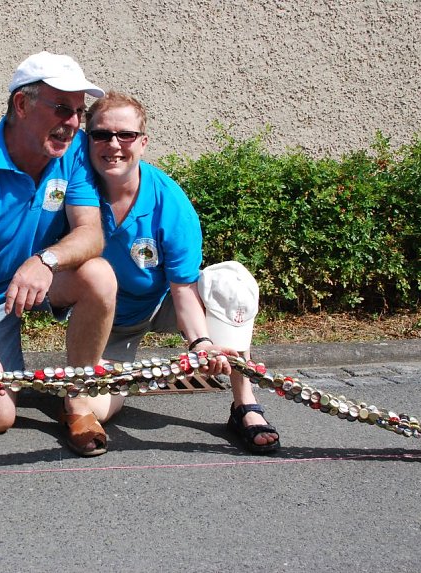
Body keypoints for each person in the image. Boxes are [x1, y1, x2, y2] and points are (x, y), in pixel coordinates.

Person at [0, 51, 120, 456]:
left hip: (41, 278)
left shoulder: (72, 152)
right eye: (61, 108)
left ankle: (76, 398)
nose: (73, 123)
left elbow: (90, 233)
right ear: (22, 104)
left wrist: (45, 261)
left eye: (78, 111)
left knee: (99, 275)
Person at [85, 91, 280, 454]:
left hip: (162, 304)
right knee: (95, 409)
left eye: (125, 135)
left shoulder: (170, 202)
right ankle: (104, 377)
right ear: (88, 139)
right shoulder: (77, 191)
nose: (114, 144)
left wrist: (201, 343)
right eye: (101, 134)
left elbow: (183, 289)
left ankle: (244, 403)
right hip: (108, 321)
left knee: (231, 281)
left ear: (142, 142)